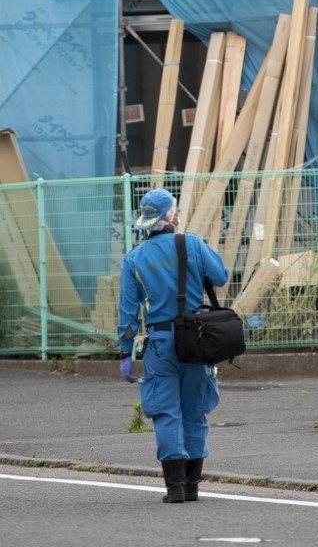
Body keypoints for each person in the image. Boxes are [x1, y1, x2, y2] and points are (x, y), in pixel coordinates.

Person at [118, 187, 228, 503]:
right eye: (175, 211)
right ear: (170, 217)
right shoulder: (191, 243)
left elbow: (128, 312)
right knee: (195, 411)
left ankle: (175, 488)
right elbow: (219, 277)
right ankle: (193, 486)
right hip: (196, 339)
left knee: (166, 413)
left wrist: (125, 351)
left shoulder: (134, 259)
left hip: (160, 342)